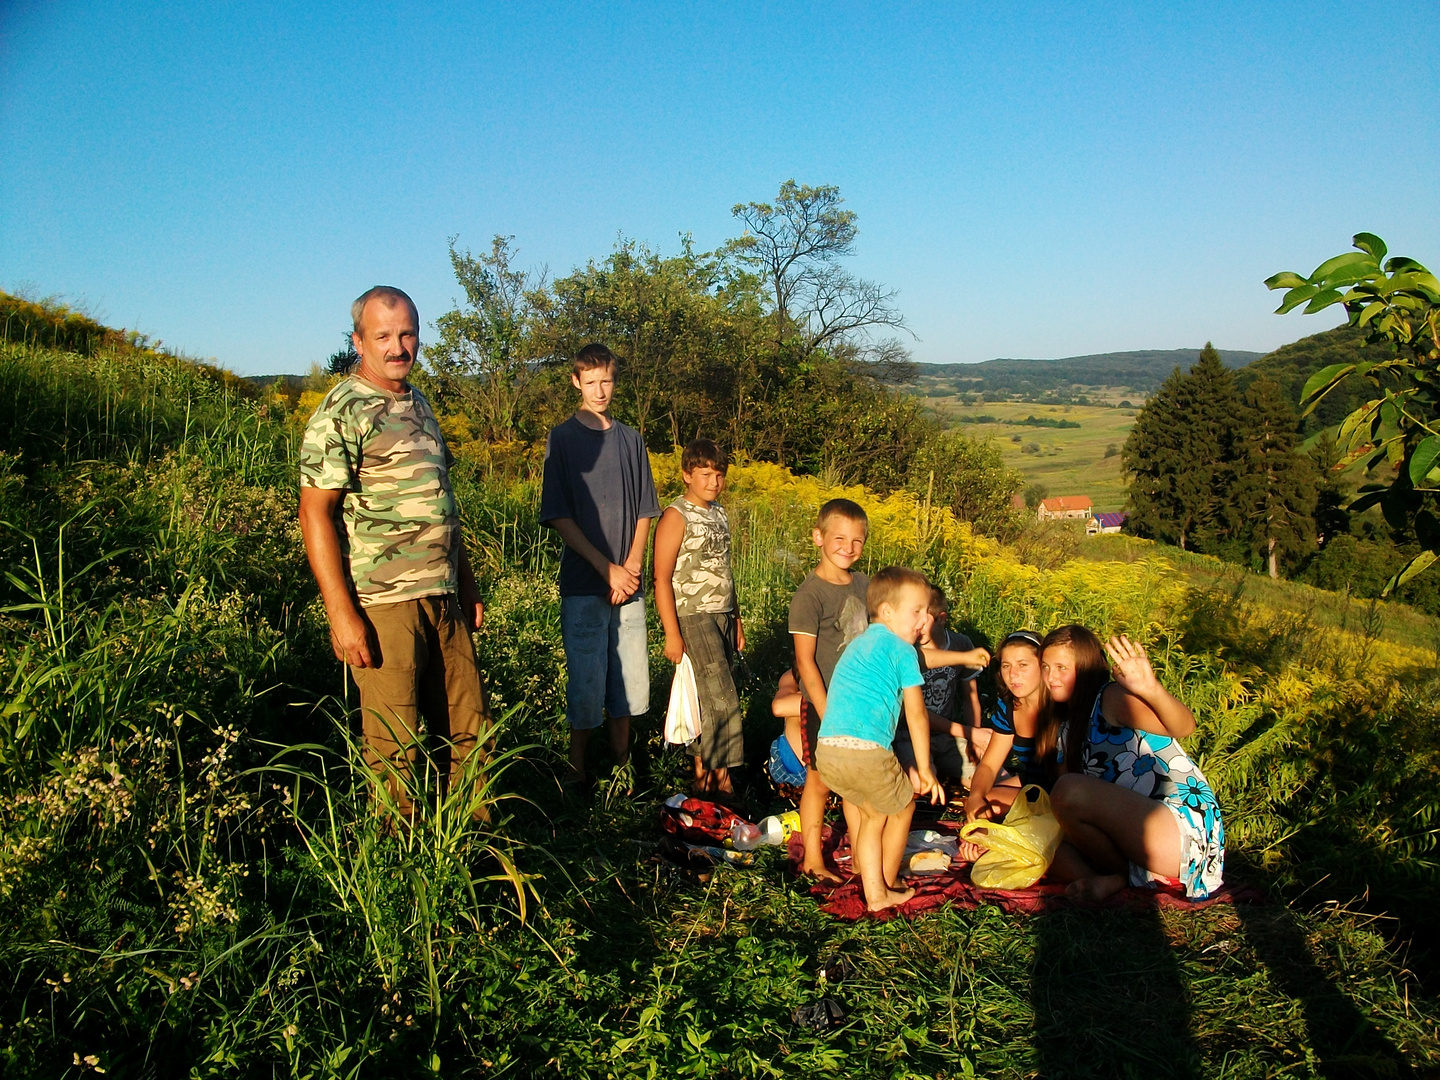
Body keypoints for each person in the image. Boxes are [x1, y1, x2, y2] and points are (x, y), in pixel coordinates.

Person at [298, 285, 489, 819]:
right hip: (385, 606)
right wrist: (341, 614)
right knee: (394, 751)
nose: (398, 346)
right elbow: (315, 512)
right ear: (359, 341)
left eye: (407, 333)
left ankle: (476, 860)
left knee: (470, 733)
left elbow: (440, 503)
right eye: (383, 335)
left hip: (442, 600)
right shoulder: (342, 410)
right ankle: (400, 875)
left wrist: (465, 584)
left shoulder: (418, 403)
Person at [540, 343, 661, 790]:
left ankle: (622, 769)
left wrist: (630, 566)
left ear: (615, 378)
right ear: (576, 382)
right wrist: (606, 568)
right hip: (583, 582)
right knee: (586, 680)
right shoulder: (564, 439)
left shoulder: (631, 439)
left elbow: (647, 510)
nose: (600, 390)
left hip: (629, 583)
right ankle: (576, 773)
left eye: (606, 380)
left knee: (627, 681)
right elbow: (557, 514)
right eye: (590, 382)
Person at [1039, 624, 1225, 901]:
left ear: (1087, 667)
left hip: (1178, 831)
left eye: (1062, 668)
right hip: (1134, 831)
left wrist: (1151, 689)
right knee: (1048, 843)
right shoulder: (1065, 724)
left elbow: (1184, 726)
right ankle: (1110, 879)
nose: (1051, 677)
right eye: (1045, 667)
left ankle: (1121, 877)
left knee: (1068, 791)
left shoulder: (1110, 699)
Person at [814, 566, 946, 912]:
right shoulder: (902, 651)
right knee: (903, 807)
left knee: (872, 813)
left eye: (928, 611)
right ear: (886, 611)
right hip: (866, 750)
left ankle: (866, 875)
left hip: (828, 750)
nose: (924, 619)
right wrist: (924, 768)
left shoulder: (857, 646)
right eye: (916, 611)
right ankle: (883, 886)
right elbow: (916, 714)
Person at [652, 438, 745, 798]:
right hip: (692, 615)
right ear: (687, 474)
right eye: (705, 474)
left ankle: (702, 774)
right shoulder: (677, 515)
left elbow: (725, 571)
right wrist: (671, 634)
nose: (713, 482)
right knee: (724, 697)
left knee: (707, 696)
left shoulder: (718, 512)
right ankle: (723, 779)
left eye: (719, 475)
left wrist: (737, 620)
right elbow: (661, 577)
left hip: (722, 613)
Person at [788, 498, 871, 881]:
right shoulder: (810, 595)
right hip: (825, 705)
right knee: (819, 781)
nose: (848, 548)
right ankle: (813, 861)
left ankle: (862, 857)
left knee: (857, 781)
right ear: (818, 537)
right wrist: (827, 711)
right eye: (839, 538)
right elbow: (805, 662)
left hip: (860, 704)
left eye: (857, 541)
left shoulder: (865, 585)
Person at [893, 585, 990, 786]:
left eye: (923, 621)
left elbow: (970, 696)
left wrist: (975, 737)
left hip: (947, 736)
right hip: (908, 734)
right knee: (921, 783)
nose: (917, 627)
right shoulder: (905, 650)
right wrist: (968, 732)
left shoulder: (960, 645)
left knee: (987, 778)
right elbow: (909, 711)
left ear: (941, 618)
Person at [963, 630, 1046, 823]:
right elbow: (990, 765)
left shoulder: (1060, 704)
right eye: (1006, 665)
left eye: (1023, 665)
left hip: (1064, 790)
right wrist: (976, 797)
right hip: (1033, 781)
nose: (1013, 674)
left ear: (1043, 666)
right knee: (980, 805)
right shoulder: (1009, 705)